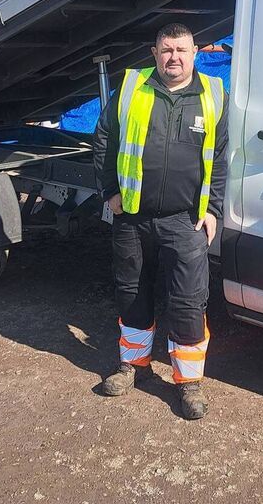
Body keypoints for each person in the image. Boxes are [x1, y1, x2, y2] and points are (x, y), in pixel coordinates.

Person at [93, 23, 228, 420]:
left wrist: (213, 209)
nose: (174, 57)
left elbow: (220, 159)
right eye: (166, 49)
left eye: (182, 50)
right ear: (154, 53)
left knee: (188, 299)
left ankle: (188, 384)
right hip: (133, 217)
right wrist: (109, 192)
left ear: (195, 54)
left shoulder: (213, 95)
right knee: (132, 292)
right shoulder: (133, 88)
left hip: (185, 220)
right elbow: (104, 139)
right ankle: (133, 366)